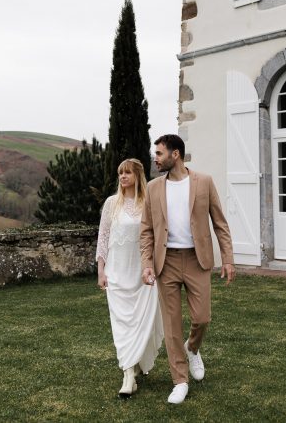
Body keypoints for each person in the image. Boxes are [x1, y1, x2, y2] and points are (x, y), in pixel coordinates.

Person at [140, 134, 235, 405]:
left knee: (202, 317)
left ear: (175, 155)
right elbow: (146, 230)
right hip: (165, 262)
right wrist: (147, 264)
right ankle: (179, 381)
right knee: (171, 326)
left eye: (159, 153)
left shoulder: (203, 182)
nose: (155, 158)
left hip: (197, 260)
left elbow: (220, 223)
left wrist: (227, 258)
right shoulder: (153, 187)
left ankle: (192, 348)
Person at [96, 158, 164, 398]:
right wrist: (101, 270)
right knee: (121, 324)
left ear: (137, 175)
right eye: (120, 173)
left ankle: (133, 367)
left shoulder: (148, 202)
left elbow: (156, 237)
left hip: (142, 274)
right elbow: (103, 237)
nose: (122, 177)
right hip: (116, 273)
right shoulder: (111, 203)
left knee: (139, 322)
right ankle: (128, 375)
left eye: (127, 173)